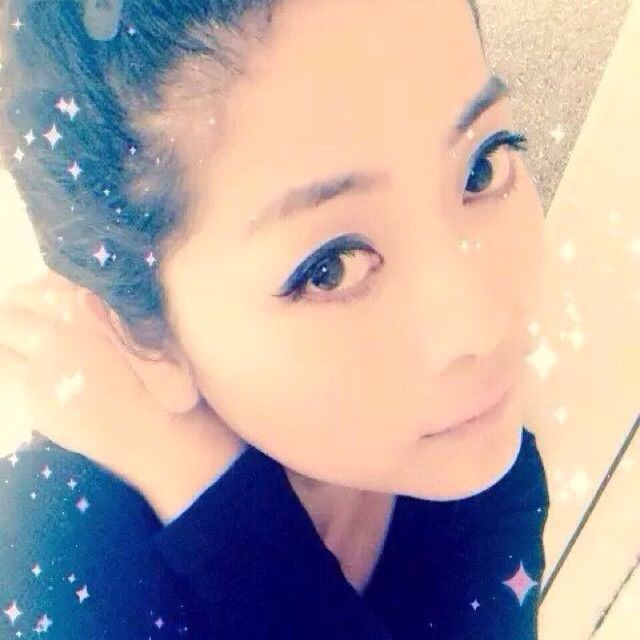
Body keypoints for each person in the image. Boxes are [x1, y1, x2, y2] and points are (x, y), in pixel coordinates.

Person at [0, 0, 550, 638]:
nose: (481, 327)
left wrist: (206, 486)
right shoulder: (50, 569)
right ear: (144, 336)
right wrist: (225, 514)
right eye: (330, 268)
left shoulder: (481, 474)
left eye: (482, 166)